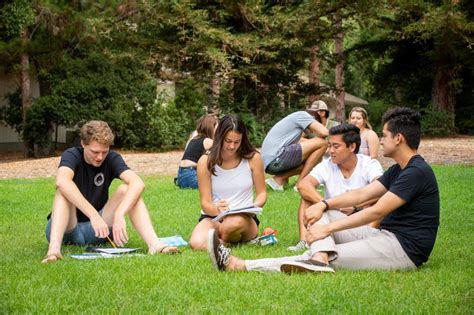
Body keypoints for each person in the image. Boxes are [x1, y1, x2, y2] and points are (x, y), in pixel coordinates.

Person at [207, 107, 440, 273]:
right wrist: (324, 204)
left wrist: (327, 228)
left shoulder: (416, 172)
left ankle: (240, 265)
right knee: (320, 215)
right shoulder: (400, 169)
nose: (381, 139)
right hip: (383, 236)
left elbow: (376, 211)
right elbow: (361, 194)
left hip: (402, 249)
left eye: (385, 135)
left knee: (320, 256)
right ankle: (320, 258)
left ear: (398, 138)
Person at [42, 120, 178, 263]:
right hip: (67, 228)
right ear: (83, 144)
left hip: (97, 230)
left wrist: (119, 214)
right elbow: (62, 181)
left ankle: (154, 244)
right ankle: (54, 251)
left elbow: (137, 183)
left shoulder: (112, 158)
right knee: (63, 191)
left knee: (126, 189)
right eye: (95, 152)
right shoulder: (72, 155)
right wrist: (93, 215)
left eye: (104, 152)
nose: (100, 157)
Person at [287, 124, 383, 251]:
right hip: (332, 216)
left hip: (361, 218)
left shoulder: (369, 164)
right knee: (306, 199)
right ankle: (304, 241)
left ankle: (371, 237)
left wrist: (356, 206)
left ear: (352, 147)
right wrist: (326, 204)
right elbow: (303, 185)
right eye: (329, 145)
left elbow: (382, 190)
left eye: (336, 146)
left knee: (377, 201)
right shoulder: (327, 165)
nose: (330, 151)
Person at [189, 114, 267, 250]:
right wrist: (216, 209)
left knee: (231, 225)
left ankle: (220, 240)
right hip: (213, 217)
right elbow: (205, 203)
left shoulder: (253, 158)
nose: (232, 146)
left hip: (243, 219)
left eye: (237, 142)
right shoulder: (205, 161)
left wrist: (254, 206)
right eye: (228, 141)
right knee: (197, 243)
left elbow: (262, 194)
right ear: (219, 138)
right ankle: (227, 242)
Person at [261, 101, 329, 192]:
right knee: (323, 143)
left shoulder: (294, 125)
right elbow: (324, 132)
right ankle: (300, 185)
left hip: (270, 163)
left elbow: (300, 144)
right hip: (276, 158)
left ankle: (279, 180)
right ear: (312, 119)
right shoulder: (303, 115)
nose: (312, 132)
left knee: (316, 158)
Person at [175, 114, 218, 189]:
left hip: (181, 177)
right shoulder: (207, 141)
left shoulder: (193, 139)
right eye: (217, 128)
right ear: (211, 127)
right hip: (191, 176)